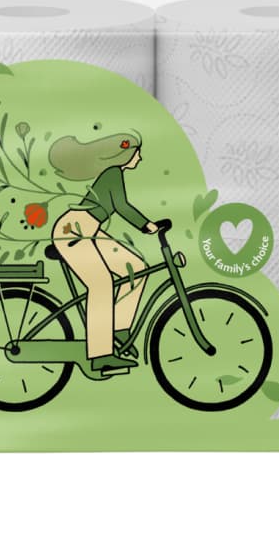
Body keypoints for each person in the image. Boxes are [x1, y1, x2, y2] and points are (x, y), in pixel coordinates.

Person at [47, 130, 158, 377]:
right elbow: (121, 206)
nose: (139, 158)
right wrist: (147, 225)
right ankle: (101, 355)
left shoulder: (114, 173)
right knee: (101, 284)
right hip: (73, 230)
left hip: (89, 230)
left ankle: (118, 329)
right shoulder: (112, 173)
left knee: (135, 267)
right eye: (137, 153)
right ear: (126, 154)